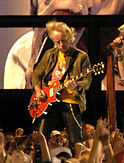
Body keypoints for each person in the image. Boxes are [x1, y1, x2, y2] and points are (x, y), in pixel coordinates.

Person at [32, 20, 92, 153]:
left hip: (70, 100)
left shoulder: (81, 57)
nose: (60, 45)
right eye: (56, 42)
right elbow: (36, 74)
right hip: (49, 99)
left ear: (70, 38)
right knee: (41, 137)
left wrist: (75, 86)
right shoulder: (49, 54)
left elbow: (87, 80)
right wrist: (38, 91)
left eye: (63, 41)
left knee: (75, 139)